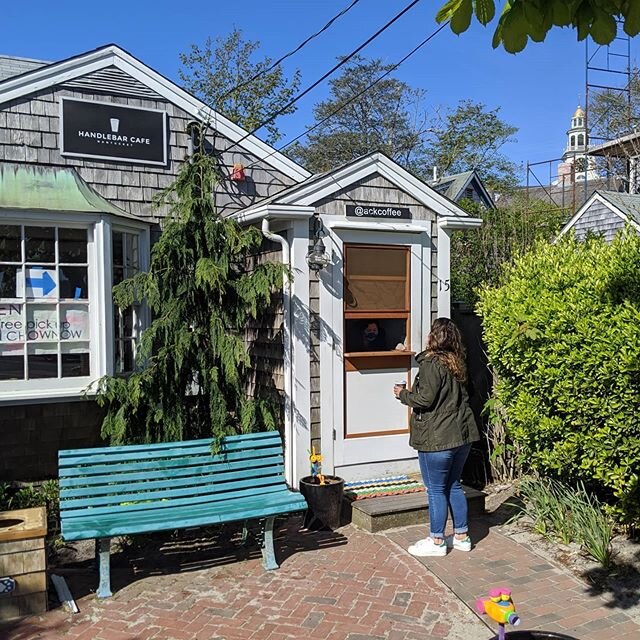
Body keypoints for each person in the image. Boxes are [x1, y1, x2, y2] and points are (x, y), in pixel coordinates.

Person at [393, 317, 480, 557]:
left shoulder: (432, 364)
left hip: (438, 438)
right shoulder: (458, 362)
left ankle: (437, 541)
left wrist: (403, 394)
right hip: (461, 435)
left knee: (435, 489)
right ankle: (462, 537)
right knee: (453, 485)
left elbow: (425, 400)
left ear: (434, 338)